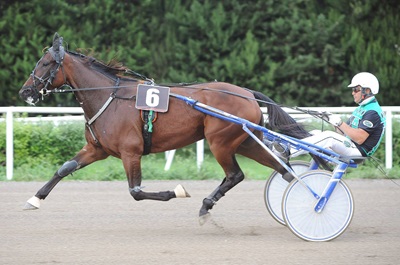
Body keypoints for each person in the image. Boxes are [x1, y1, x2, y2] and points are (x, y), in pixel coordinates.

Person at [273, 72, 386, 161]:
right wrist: (331, 120)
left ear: (367, 90)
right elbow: (342, 133)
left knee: (329, 137)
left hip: (358, 151)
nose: (353, 92)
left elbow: (359, 139)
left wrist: (340, 123)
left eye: (356, 89)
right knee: (317, 133)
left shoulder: (372, 112)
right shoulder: (362, 108)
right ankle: (285, 145)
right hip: (351, 145)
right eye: (353, 90)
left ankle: (288, 151)